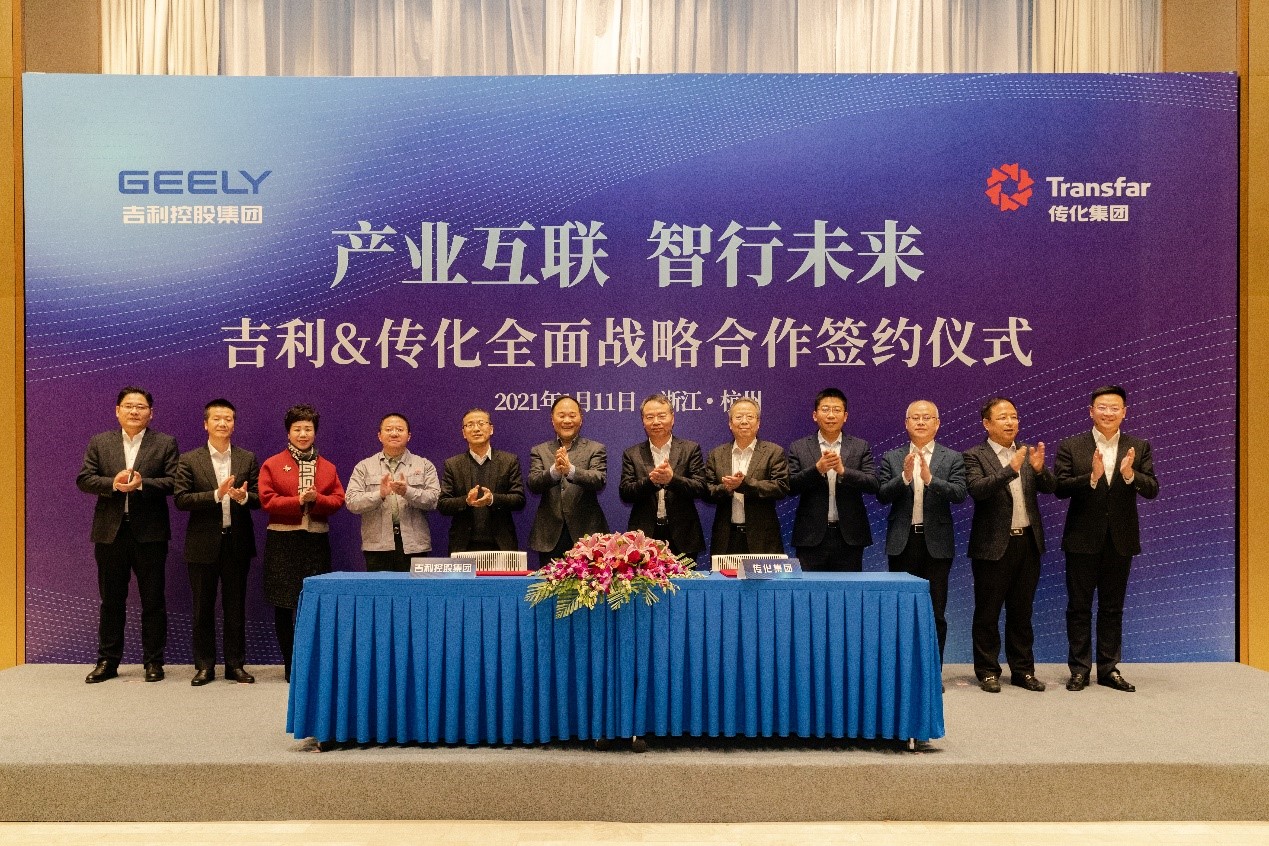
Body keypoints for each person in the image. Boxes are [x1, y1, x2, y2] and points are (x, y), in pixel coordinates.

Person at [1054, 385, 1159, 693]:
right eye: (1102, 407)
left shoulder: (1138, 446)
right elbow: (1059, 488)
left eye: (1115, 408)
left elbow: (1152, 489)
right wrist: (1091, 478)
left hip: (1120, 540)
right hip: (1082, 538)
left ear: (1124, 412)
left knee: (1112, 608)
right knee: (1079, 607)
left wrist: (1129, 474)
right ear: (1091, 411)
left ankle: (1109, 668)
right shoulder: (1072, 446)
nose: (1108, 413)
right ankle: (1079, 669)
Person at [76, 387, 179, 684]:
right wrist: (113, 483)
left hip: (150, 534)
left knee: (153, 601)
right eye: (129, 406)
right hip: (110, 533)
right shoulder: (100, 442)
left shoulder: (165, 443)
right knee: (111, 601)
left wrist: (142, 484)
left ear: (151, 413)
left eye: (141, 407)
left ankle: (154, 662)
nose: (134, 411)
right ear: (117, 410)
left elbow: (174, 481)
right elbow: (84, 479)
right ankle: (107, 661)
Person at [963, 396, 1056, 693]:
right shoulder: (973, 455)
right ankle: (988, 671)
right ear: (986, 423)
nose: (1010, 422)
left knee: (1022, 612)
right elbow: (977, 490)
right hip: (992, 546)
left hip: (1027, 543)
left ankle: (1023, 671)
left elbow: (1051, 488)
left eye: (1014, 416)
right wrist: (1009, 470)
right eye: (1003, 417)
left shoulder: (1026, 452)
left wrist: (1039, 470)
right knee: (987, 613)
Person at [174, 399, 261, 685]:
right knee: (203, 608)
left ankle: (235, 665)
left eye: (228, 419)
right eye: (217, 418)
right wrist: (216, 494)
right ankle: (204, 666)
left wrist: (244, 497)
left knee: (235, 608)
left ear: (234, 424)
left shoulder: (247, 458)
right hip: (202, 545)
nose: (223, 423)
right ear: (206, 424)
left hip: (237, 543)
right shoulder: (189, 459)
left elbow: (260, 498)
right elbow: (181, 499)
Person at [877, 400, 967, 663]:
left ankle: (932, 670)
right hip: (902, 543)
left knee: (935, 612)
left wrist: (930, 480)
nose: (920, 422)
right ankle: (901, 668)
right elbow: (882, 494)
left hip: (936, 545)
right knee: (900, 611)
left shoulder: (952, 457)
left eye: (926, 418)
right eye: (915, 418)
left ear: (937, 424)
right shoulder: (893, 457)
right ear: (906, 423)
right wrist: (904, 477)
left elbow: (960, 493)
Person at [259, 403, 344, 681]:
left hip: (316, 542)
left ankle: (312, 663)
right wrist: (297, 500)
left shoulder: (327, 467)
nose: (303, 434)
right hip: (282, 541)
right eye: (297, 429)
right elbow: (267, 500)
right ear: (288, 432)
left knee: (315, 604)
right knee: (284, 605)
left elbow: (338, 500)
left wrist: (317, 499)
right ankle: (289, 664)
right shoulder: (272, 464)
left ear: (315, 432)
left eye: (308, 429)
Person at [786, 388, 879, 571]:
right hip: (810, 537)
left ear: (845, 416)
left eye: (836, 410)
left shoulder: (860, 446)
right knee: (810, 589)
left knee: (847, 589)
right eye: (825, 409)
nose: (830, 415)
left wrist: (843, 471)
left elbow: (873, 484)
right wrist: (817, 470)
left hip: (849, 537)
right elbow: (790, 486)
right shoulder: (799, 447)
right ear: (815, 415)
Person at [345, 413, 440, 571]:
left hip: (414, 545)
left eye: (400, 429)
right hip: (377, 546)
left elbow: (434, 500)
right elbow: (351, 502)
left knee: (413, 587)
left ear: (409, 436)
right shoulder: (364, 467)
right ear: (379, 436)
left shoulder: (424, 465)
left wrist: (407, 492)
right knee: (379, 587)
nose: (394, 433)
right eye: (389, 429)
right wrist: (380, 495)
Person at [618, 394, 707, 559]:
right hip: (644, 536)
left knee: (686, 577)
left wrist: (672, 480)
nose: (656, 422)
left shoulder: (690, 449)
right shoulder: (632, 454)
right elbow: (625, 493)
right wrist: (651, 481)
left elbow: (700, 487)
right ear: (643, 421)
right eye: (649, 417)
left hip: (683, 535)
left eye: (661, 416)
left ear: (672, 418)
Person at [527, 395, 609, 568]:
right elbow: (533, 483)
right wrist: (555, 471)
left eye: (572, 415)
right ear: (552, 420)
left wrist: (570, 470)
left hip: (587, 534)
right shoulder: (539, 450)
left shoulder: (595, 448)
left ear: (581, 419)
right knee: (549, 583)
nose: (567, 420)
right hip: (550, 536)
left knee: (589, 583)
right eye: (561, 415)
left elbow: (598, 479)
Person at [704, 398, 789, 556]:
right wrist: (727, 487)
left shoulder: (773, 452)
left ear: (758, 423)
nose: (744, 421)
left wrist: (744, 484)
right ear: (730, 423)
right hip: (726, 538)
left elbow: (781, 487)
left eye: (750, 417)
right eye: (738, 417)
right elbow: (706, 491)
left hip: (762, 538)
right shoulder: (716, 454)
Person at [437, 408, 525, 553]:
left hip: (501, 545)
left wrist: (492, 499)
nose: (476, 429)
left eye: (481, 423)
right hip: (463, 546)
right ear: (464, 433)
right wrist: (467, 501)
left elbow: (519, 500)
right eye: (470, 425)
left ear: (491, 429)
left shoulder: (509, 461)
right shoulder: (452, 464)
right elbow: (443, 504)